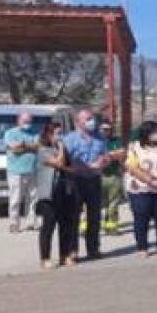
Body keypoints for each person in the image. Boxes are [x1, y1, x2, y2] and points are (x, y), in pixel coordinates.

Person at [63, 109, 109, 261]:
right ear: (78, 122)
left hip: (94, 180)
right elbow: (65, 161)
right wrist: (86, 166)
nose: (92, 121)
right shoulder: (70, 139)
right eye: (88, 119)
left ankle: (93, 249)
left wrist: (104, 161)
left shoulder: (100, 138)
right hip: (76, 181)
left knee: (94, 217)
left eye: (92, 118)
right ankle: (72, 250)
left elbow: (105, 156)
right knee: (73, 217)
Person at [126, 120, 157, 258]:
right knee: (141, 218)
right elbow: (132, 167)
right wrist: (149, 181)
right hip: (141, 189)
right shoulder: (135, 147)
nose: (155, 135)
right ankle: (142, 247)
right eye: (152, 132)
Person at [33, 122, 72, 269]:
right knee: (48, 226)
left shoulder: (62, 149)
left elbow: (68, 165)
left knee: (65, 225)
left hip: (63, 191)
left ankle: (64, 255)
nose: (60, 136)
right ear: (49, 135)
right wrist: (61, 148)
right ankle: (45, 258)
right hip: (48, 194)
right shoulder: (43, 150)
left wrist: (62, 149)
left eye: (61, 133)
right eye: (57, 133)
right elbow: (58, 163)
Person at [3, 111, 38, 234]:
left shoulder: (35, 132)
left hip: (33, 170)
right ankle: (14, 224)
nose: (28, 124)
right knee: (15, 199)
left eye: (29, 121)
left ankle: (31, 223)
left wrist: (23, 146)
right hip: (16, 172)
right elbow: (14, 148)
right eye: (25, 121)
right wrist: (29, 146)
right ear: (18, 121)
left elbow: (38, 146)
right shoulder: (10, 133)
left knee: (33, 198)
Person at [97, 119, 126, 236]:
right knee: (97, 203)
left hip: (114, 175)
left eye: (108, 129)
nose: (106, 131)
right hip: (99, 176)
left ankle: (111, 227)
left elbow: (122, 153)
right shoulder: (95, 141)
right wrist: (112, 154)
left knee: (113, 203)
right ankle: (91, 227)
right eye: (103, 129)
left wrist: (108, 155)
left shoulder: (116, 140)